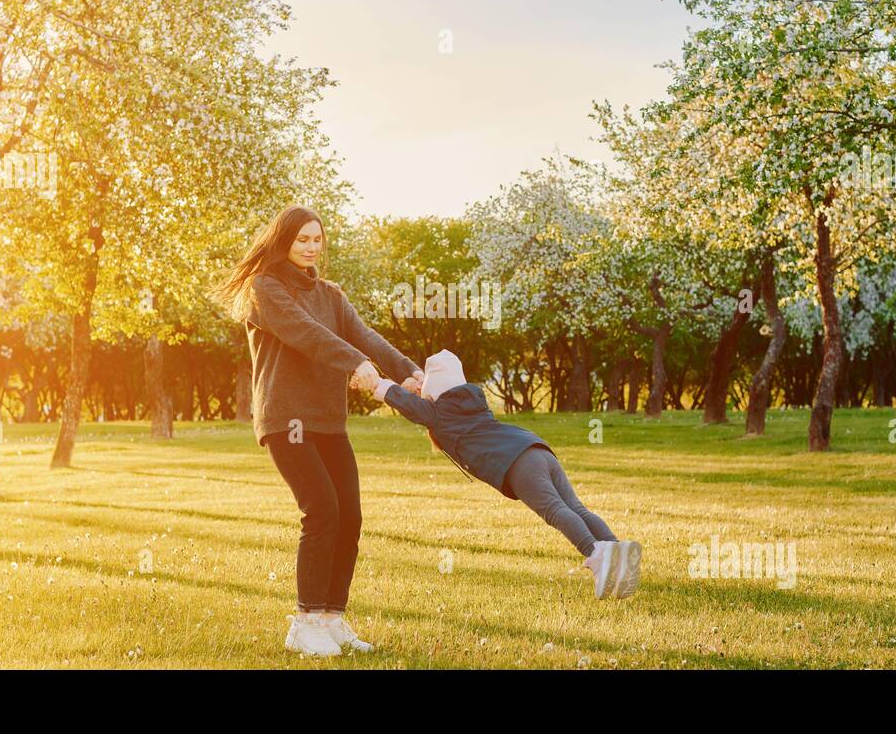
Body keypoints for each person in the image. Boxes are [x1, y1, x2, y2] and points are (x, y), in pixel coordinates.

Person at [211, 204, 423, 656]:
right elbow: (306, 333)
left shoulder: (331, 294)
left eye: (316, 239)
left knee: (349, 516)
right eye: (301, 239)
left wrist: (408, 372)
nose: (310, 247)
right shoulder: (263, 288)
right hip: (286, 419)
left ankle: (332, 619)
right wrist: (356, 365)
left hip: (328, 421)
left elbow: (365, 336)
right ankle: (305, 623)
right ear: (282, 241)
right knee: (322, 510)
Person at [369, 349, 642, 599]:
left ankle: (596, 554)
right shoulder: (472, 401)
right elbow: (423, 406)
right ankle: (618, 551)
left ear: (433, 393)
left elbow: (413, 408)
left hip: (516, 463)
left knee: (555, 510)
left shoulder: (439, 414)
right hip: (536, 448)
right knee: (575, 507)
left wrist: (378, 385)